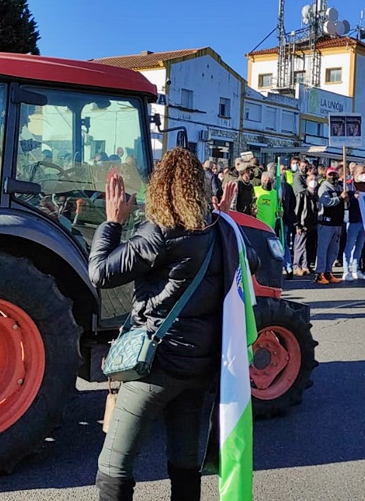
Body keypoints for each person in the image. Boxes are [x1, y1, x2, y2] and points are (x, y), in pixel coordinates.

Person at [87, 148, 239, 501]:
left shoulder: (158, 233)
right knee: (185, 464)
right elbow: (250, 265)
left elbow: (101, 273)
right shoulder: (221, 231)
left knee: (114, 465)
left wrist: (112, 223)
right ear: (198, 188)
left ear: (160, 187)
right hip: (200, 367)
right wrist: (226, 218)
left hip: (155, 366)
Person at [315, 167, 344, 285]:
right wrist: (340, 198)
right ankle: (319, 273)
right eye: (331, 174)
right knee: (323, 249)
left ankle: (328, 271)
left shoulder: (340, 187)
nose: (333, 177)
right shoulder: (324, 187)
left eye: (335, 174)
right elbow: (326, 202)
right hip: (326, 222)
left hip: (337, 222)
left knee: (333, 250)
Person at [292, 170, 319, 277]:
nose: (313, 182)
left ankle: (306, 266)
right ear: (307, 182)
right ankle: (296, 266)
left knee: (309, 247)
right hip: (303, 225)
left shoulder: (316, 196)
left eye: (315, 180)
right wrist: (297, 225)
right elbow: (297, 211)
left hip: (313, 225)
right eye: (311, 180)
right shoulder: (302, 195)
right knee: (300, 246)